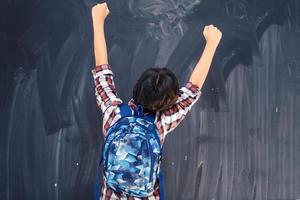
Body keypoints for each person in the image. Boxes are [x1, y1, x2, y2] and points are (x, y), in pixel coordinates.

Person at [91, 2, 222, 200]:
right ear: (170, 102)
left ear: (137, 87)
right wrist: (211, 45)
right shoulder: (163, 121)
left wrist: (98, 21)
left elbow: (102, 72)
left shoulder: (113, 112)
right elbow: (193, 88)